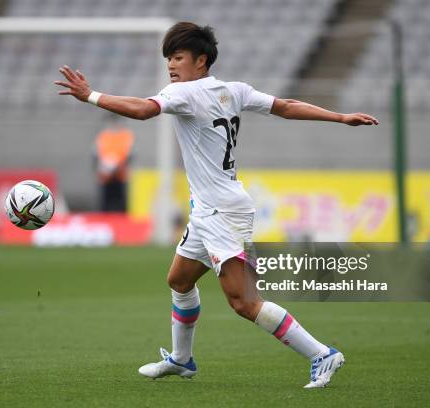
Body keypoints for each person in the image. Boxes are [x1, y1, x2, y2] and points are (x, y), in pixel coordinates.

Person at [55, 22, 378, 389]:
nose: (171, 66)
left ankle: (322, 354)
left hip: (221, 213)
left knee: (243, 302)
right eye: (168, 59)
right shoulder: (233, 90)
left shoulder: (184, 94)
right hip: (214, 207)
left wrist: (91, 95)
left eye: (177, 57)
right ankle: (181, 359)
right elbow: (286, 107)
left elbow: (144, 110)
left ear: (201, 59)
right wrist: (339, 117)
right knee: (179, 279)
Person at [94, 113, 134, 212]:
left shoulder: (126, 135)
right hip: (106, 177)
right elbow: (97, 155)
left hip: (121, 177)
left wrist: (117, 167)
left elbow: (129, 155)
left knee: (121, 205)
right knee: (105, 206)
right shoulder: (103, 136)